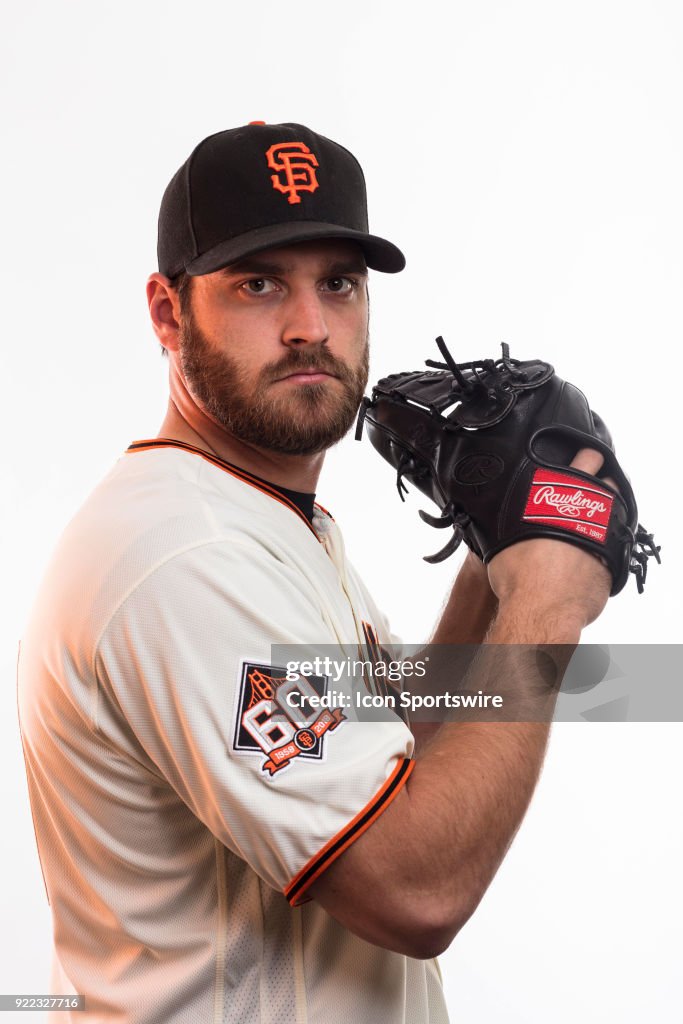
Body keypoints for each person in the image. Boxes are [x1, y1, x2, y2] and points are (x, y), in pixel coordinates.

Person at [17, 121, 611, 1024]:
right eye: (258, 284)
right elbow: (412, 890)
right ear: (169, 312)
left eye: (338, 283)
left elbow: (397, 760)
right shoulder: (189, 558)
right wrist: (548, 603)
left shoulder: (261, 520)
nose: (310, 327)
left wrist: (493, 563)